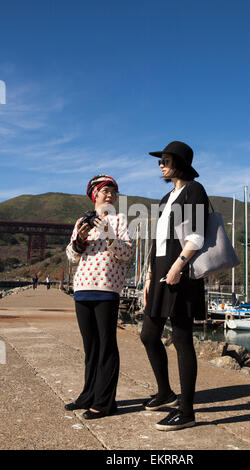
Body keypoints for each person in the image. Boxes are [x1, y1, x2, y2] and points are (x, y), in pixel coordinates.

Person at [141, 141, 209, 431]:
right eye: (160, 161)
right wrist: (147, 275)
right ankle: (165, 391)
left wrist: (178, 267)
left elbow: (196, 235)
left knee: (182, 340)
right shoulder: (165, 198)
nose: (161, 165)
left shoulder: (194, 190)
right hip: (158, 273)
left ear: (179, 161)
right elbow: (157, 241)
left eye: (165, 159)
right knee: (148, 334)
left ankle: (187, 410)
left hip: (180, 273)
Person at [65, 174, 133, 420]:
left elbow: (125, 252)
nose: (110, 195)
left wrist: (107, 230)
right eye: (105, 191)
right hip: (82, 287)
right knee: (90, 346)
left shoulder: (119, 219)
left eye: (113, 192)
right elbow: (72, 257)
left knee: (106, 346)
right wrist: (80, 239)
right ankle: (88, 395)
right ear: (94, 194)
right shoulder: (81, 220)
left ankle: (104, 402)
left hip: (107, 288)